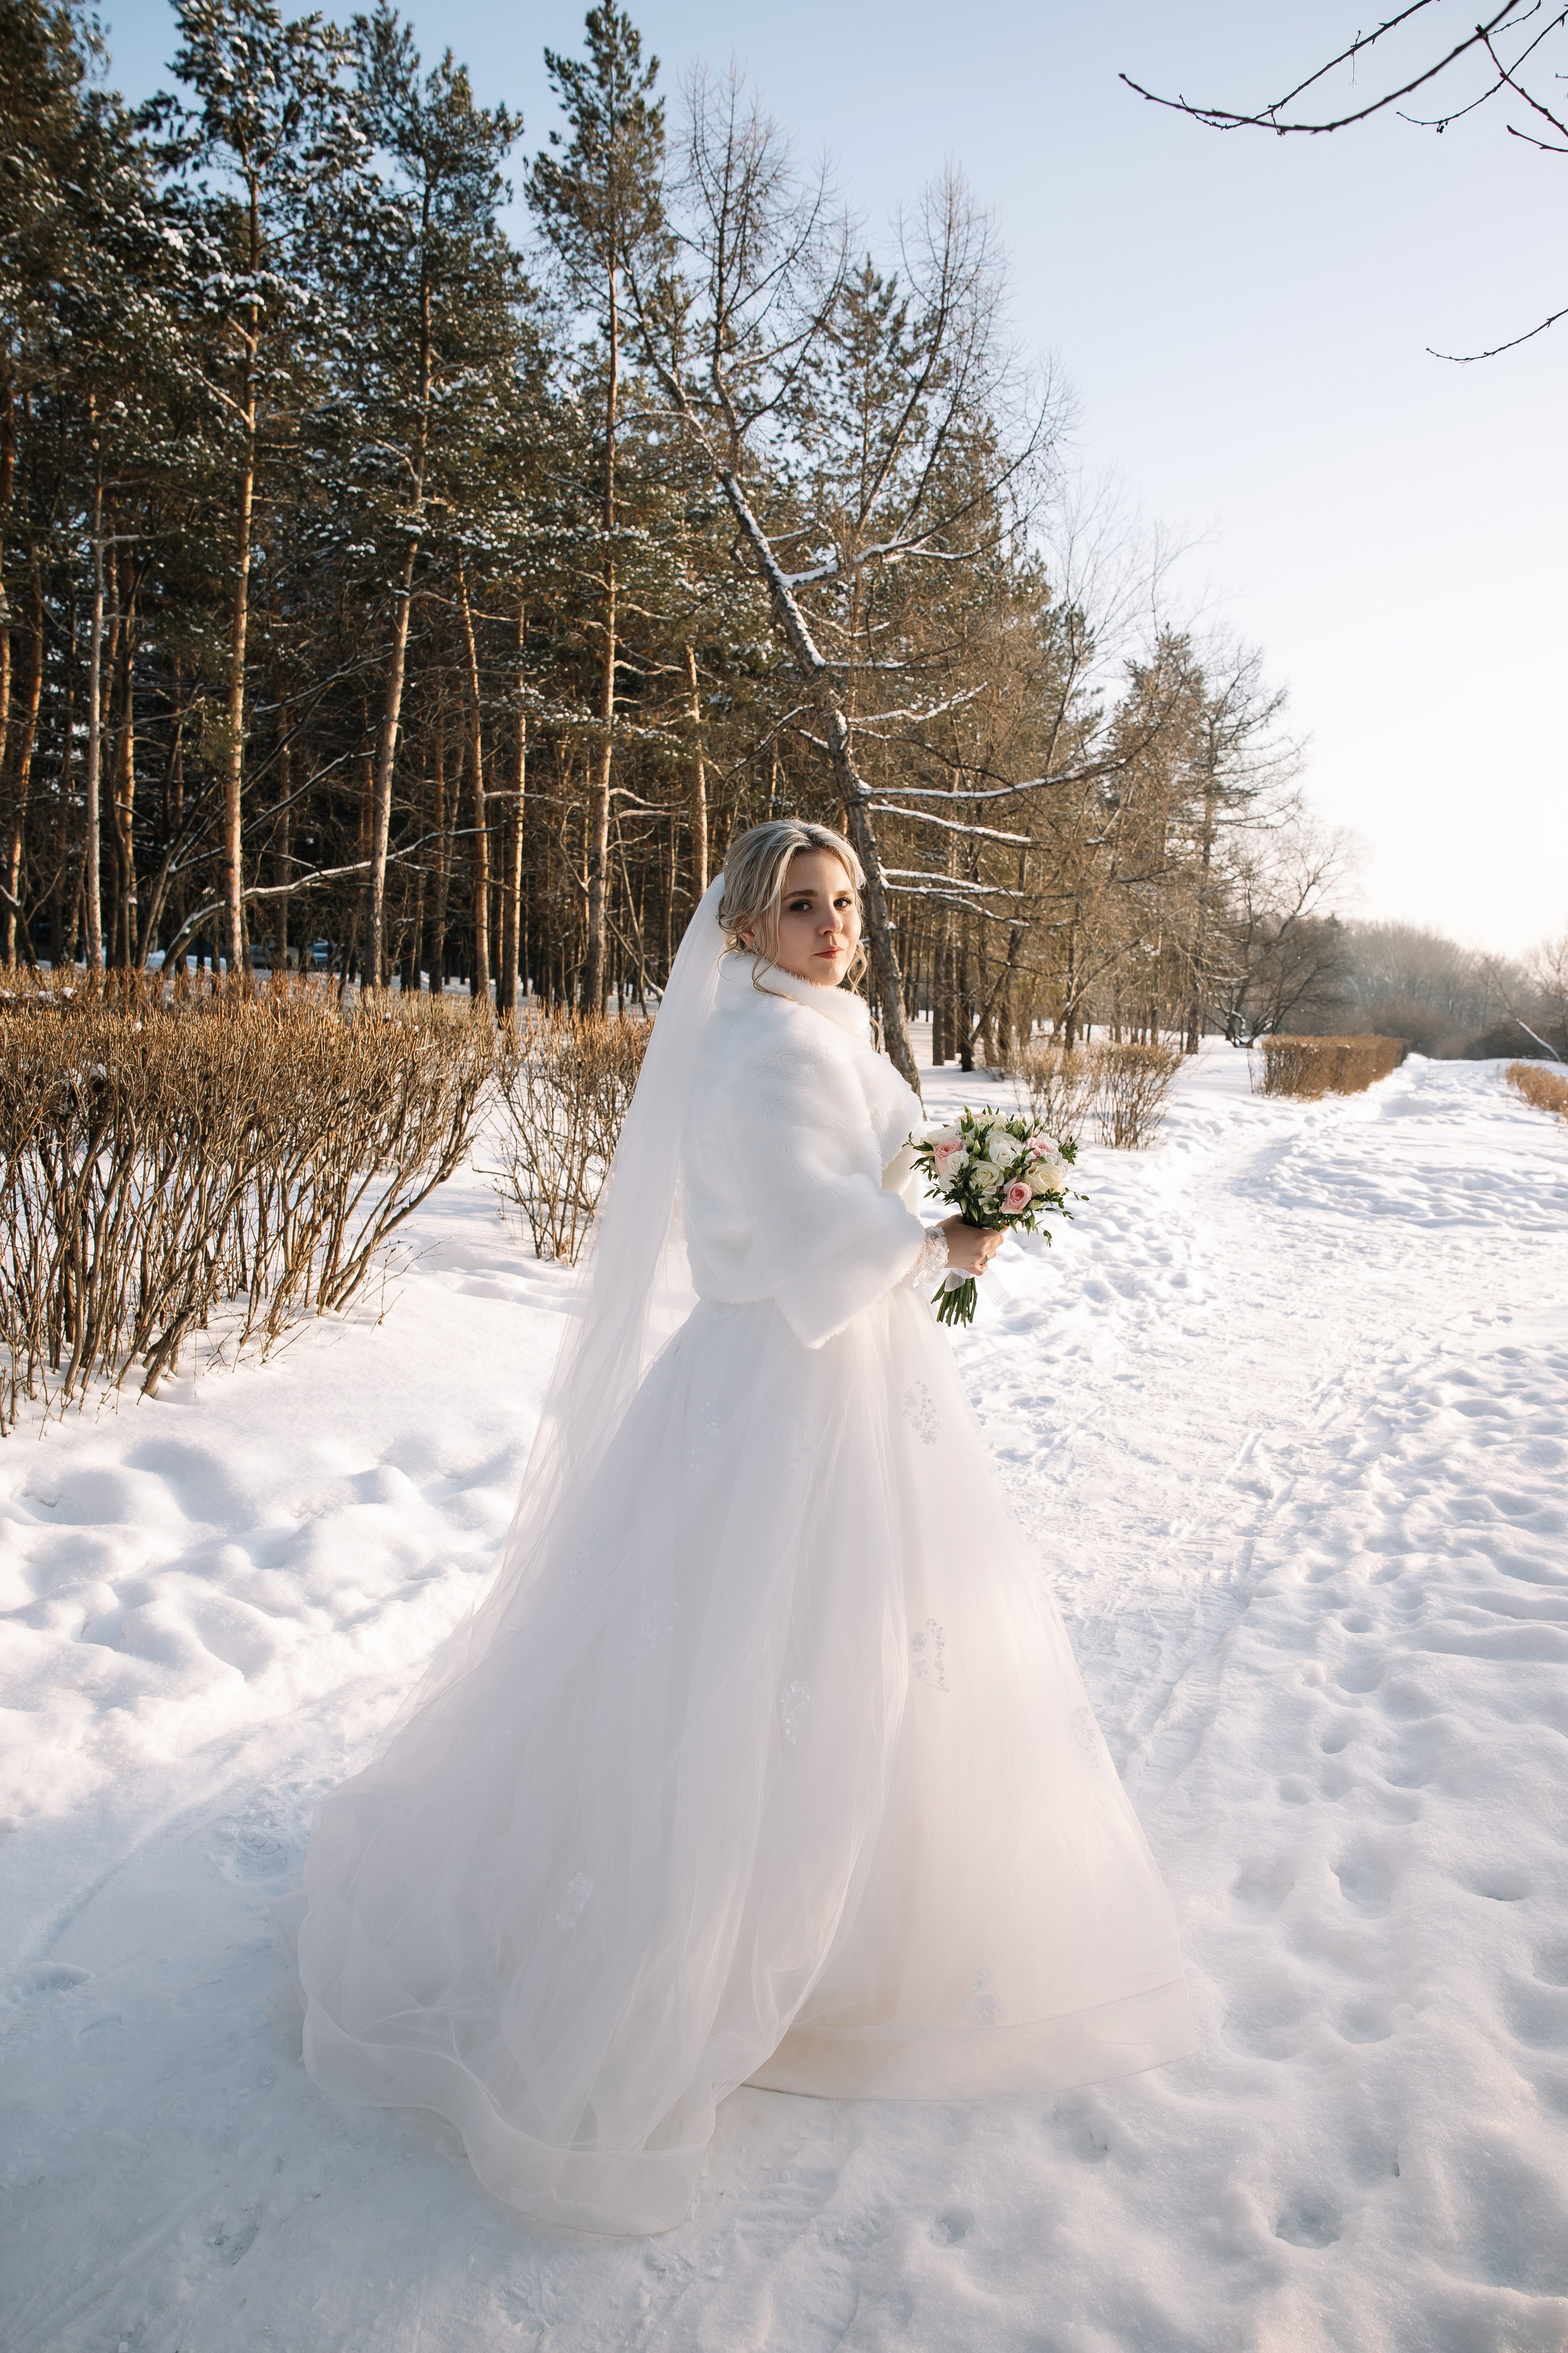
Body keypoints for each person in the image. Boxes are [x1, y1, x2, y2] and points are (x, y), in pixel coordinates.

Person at [277, 820, 1194, 2237]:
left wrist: (983, 1173)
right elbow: (801, 1221)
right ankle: (712, 1937)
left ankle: (855, 1928)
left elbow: (896, 1140)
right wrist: (937, 1243)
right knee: (765, 1638)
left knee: (880, 1637)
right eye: (798, 906)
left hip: (857, 1377)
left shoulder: (826, 1024)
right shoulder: (758, 1051)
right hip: (779, 1384)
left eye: (842, 901)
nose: (830, 925)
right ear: (746, 926)